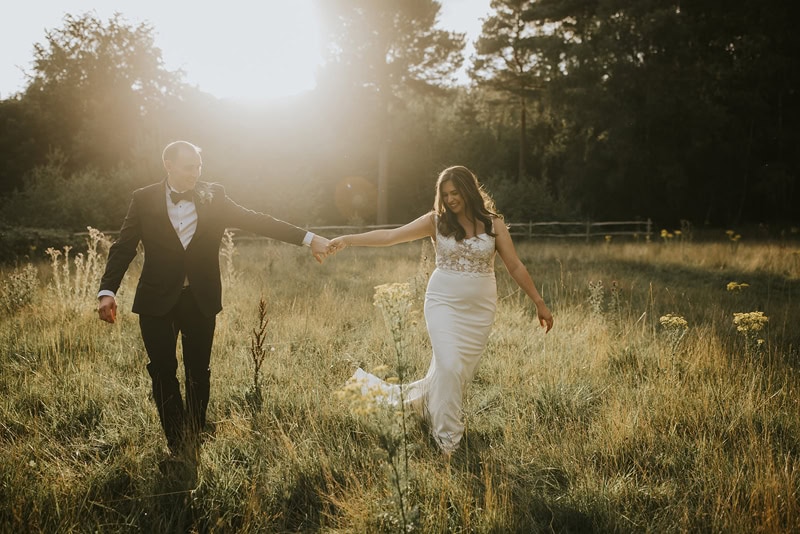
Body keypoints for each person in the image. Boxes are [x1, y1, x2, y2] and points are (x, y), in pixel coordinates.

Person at [97, 140, 330, 459]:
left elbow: (257, 220)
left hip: (200, 298)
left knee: (198, 372)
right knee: (162, 371)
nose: (195, 173)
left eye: (198, 167)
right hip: (155, 301)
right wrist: (107, 290)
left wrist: (309, 239)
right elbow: (123, 247)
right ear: (168, 165)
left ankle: (193, 434)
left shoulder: (213, 195)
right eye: (188, 167)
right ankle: (177, 443)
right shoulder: (143, 198)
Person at [328, 165, 553, 454]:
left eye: (455, 192)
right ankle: (448, 441)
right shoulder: (436, 221)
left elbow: (515, 265)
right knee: (449, 365)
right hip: (442, 302)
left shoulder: (493, 224)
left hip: (480, 310)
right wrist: (348, 239)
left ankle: (422, 408)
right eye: (445, 194)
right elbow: (390, 236)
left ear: (469, 190)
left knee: (455, 374)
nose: (450, 199)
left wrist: (539, 302)